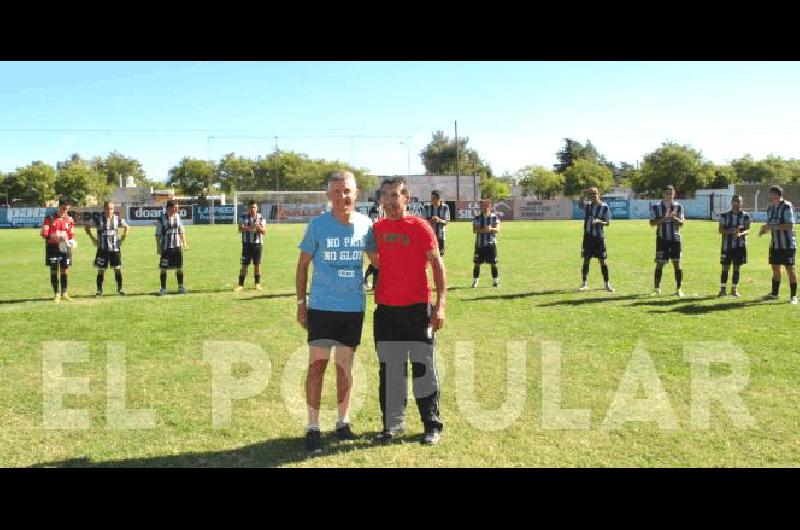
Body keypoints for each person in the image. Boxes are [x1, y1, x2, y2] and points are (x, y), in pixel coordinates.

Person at [296, 171, 377, 454]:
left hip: (352, 308)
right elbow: (303, 266)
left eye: (348, 191)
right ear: (329, 195)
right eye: (337, 191)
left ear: (356, 194)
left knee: (345, 368)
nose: (343, 196)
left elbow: (379, 261)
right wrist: (301, 303)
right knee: (317, 367)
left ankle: (342, 422)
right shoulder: (317, 226)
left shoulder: (367, 226)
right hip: (321, 307)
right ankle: (313, 427)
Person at [370, 177, 446, 445]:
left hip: (417, 309)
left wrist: (440, 305)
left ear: (406, 198)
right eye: (386, 195)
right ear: (381, 200)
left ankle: (431, 425)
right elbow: (373, 259)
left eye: (396, 195)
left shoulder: (420, 226)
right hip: (386, 310)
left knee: (423, 368)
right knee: (390, 370)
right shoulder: (376, 229)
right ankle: (392, 425)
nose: (391, 200)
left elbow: (437, 265)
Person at [758, 185, 797, 304]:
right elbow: (770, 224)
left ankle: (794, 296)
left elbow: (789, 225)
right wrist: (764, 230)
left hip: (788, 244)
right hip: (775, 244)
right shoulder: (770, 207)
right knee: (775, 268)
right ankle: (774, 294)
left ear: (776, 194)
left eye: (771, 194)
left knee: (790, 269)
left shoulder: (787, 206)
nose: (770, 196)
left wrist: (771, 227)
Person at [85, 200, 129, 297]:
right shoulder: (98, 219)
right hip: (102, 249)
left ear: (114, 209)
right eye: (107, 208)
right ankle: (99, 291)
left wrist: (123, 237)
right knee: (101, 270)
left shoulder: (118, 219)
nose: (109, 210)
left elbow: (127, 227)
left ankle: (119, 289)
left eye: (111, 208)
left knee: (117, 269)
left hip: (115, 249)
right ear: (104, 209)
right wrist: (93, 239)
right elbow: (87, 226)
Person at [649, 185, 685, 297]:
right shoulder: (656, 207)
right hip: (662, 240)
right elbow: (651, 223)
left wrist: (674, 218)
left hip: (675, 239)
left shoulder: (678, 207)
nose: (669, 195)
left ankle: (678, 289)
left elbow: (682, 223)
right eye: (667, 193)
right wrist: (664, 218)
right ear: (663, 194)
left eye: (671, 193)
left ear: (674, 194)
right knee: (659, 264)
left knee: (677, 263)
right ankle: (656, 288)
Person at [578, 188, 614, 292]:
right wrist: (582, 196)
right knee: (586, 259)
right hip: (588, 237)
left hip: (599, 237)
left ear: (599, 194)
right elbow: (580, 204)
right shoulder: (588, 206)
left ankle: (607, 284)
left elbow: (607, 222)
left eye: (594, 194)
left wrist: (599, 221)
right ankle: (584, 283)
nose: (593, 196)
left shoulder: (604, 207)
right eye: (590, 194)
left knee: (603, 260)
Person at [41, 197, 76, 303]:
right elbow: (44, 234)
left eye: (66, 209)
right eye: (63, 208)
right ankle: (56, 294)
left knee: (65, 269)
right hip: (53, 247)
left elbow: (71, 234)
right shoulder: (50, 217)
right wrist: (55, 237)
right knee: (54, 270)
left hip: (65, 248)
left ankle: (64, 293)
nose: (65, 210)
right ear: (59, 206)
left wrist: (72, 241)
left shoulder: (70, 219)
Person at [718, 195, 751, 298]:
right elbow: (720, 230)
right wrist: (731, 231)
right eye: (735, 201)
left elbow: (748, 230)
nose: (736, 203)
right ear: (731, 202)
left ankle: (734, 289)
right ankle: (722, 290)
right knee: (725, 268)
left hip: (740, 246)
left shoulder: (746, 216)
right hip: (727, 246)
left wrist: (741, 234)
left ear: (741, 203)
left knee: (737, 268)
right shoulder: (724, 215)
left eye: (739, 201)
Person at [155, 200, 188, 295]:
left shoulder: (177, 216)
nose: (177, 209)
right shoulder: (161, 219)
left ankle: (181, 287)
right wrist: (158, 247)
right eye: (176, 207)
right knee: (163, 268)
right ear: (169, 208)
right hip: (166, 248)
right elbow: (157, 235)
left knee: (179, 267)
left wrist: (184, 243)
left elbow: (181, 231)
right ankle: (163, 288)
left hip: (177, 247)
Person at [234, 200, 266, 292]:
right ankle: (240, 285)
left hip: (257, 245)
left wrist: (258, 227)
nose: (253, 209)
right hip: (246, 244)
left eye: (254, 207)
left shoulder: (261, 217)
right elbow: (240, 229)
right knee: (244, 265)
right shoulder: (243, 217)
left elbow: (264, 231)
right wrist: (250, 227)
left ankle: (257, 284)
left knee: (257, 265)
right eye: (251, 207)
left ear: (257, 208)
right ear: (248, 208)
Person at [472, 199, 500, 288]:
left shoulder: (494, 217)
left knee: (493, 263)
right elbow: (474, 230)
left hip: (491, 245)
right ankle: (475, 282)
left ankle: (495, 282)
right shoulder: (477, 217)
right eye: (483, 205)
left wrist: (491, 229)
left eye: (486, 205)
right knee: (477, 264)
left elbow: (497, 230)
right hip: (479, 245)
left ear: (490, 206)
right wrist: (484, 229)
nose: (484, 207)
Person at [363, 197, 383, 289]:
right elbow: (374, 223)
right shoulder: (376, 208)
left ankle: (367, 278)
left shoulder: (380, 207)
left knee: (377, 261)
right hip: (375, 236)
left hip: (378, 236)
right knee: (377, 261)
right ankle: (375, 283)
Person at [424, 190, 450, 257]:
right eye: (431, 198)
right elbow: (423, 222)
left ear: (438, 198)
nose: (432, 200)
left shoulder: (445, 207)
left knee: (440, 256)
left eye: (434, 198)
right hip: (429, 236)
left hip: (440, 235)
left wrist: (439, 220)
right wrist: (431, 221)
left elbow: (447, 221)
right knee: (429, 255)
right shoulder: (426, 208)